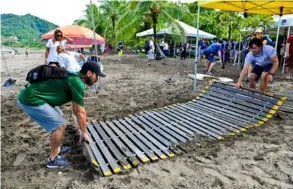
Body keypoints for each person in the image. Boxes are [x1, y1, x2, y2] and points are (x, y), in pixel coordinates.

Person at [17, 62, 106, 168]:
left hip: (38, 97)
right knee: (59, 126)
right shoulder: (77, 82)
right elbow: (80, 112)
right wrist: (84, 132)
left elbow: (75, 107)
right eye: (97, 76)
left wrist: (81, 127)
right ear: (89, 73)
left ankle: (57, 147)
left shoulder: (76, 77)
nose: (96, 80)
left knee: (60, 117)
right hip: (31, 100)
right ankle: (53, 160)